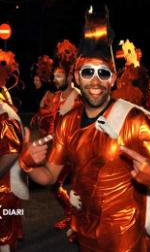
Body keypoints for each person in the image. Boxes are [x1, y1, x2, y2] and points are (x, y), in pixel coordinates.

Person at [18, 6, 150, 251]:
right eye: (88, 72)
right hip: (86, 235)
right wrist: (28, 165)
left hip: (127, 240)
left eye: (103, 73)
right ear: (76, 77)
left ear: (113, 79)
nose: (96, 81)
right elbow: (50, 176)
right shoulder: (68, 121)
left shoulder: (135, 119)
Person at [49, 39, 81, 230]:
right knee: (55, 186)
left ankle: (78, 220)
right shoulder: (55, 97)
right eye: (54, 76)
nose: (55, 79)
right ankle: (70, 214)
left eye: (59, 76)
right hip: (60, 149)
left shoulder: (77, 96)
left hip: (76, 151)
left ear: (69, 78)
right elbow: (54, 123)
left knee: (80, 188)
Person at [0, 49, 27, 252]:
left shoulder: (4, 114)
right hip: (10, 182)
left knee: (5, 241)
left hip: (6, 187)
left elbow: (11, 152)